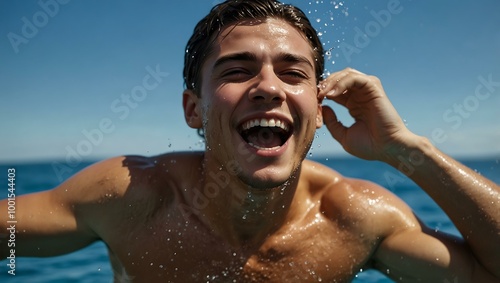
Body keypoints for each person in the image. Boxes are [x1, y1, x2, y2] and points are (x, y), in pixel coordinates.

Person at [1, 0, 499, 282]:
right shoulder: (132, 198)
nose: (267, 87)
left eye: (293, 73)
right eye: (237, 71)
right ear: (194, 109)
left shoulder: (357, 219)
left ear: (319, 110)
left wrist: (407, 151)